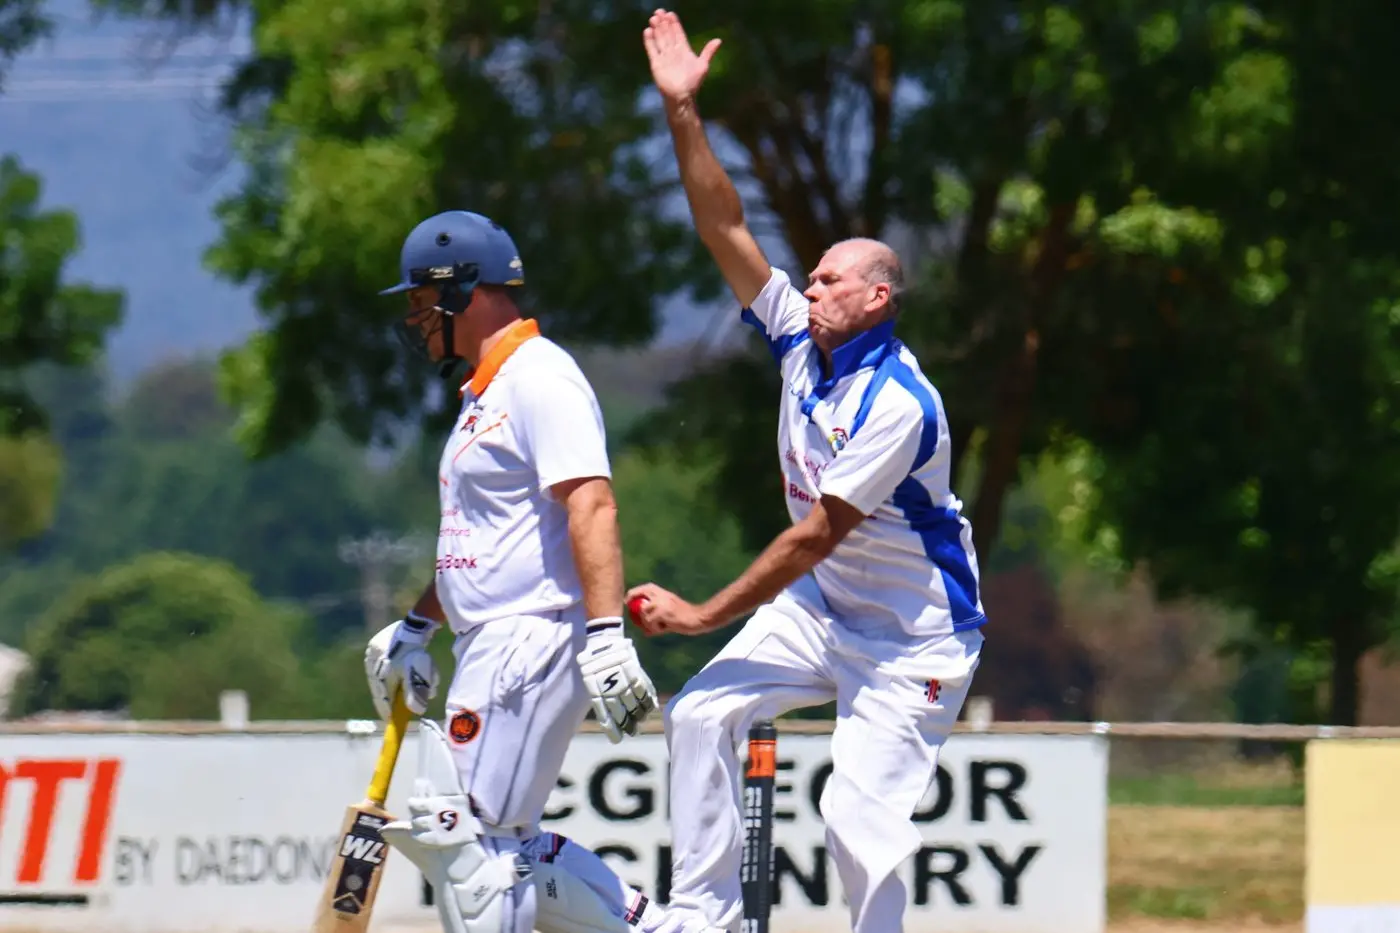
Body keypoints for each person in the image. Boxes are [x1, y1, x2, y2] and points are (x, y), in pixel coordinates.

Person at [626, 11, 989, 933]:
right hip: (825, 609)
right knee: (701, 713)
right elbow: (725, 226)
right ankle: (705, 919)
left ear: (877, 297)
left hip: (914, 641)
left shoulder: (902, 402)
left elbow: (814, 533)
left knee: (854, 819)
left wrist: (705, 613)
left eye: (830, 278)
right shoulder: (797, 338)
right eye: (813, 277)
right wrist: (681, 112)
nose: (810, 284)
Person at [361, 209, 671, 933]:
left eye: (418, 299)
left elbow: (591, 503)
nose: (414, 317)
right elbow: (482, 541)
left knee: (468, 842)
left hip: (528, 637)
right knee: (513, 841)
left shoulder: (541, 378)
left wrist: (605, 635)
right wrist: (415, 625)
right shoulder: (484, 393)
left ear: (462, 287)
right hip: (494, 639)